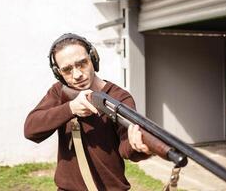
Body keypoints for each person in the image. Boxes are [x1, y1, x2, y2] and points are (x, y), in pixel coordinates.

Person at [24, 33, 151, 191]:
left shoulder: (119, 98)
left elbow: (126, 148)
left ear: (93, 59)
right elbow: (31, 129)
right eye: (67, 70)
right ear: (58, 73)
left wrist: (139, 147)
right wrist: (70, 108)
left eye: (82, 63)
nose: (77, 75)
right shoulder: (59, 92)